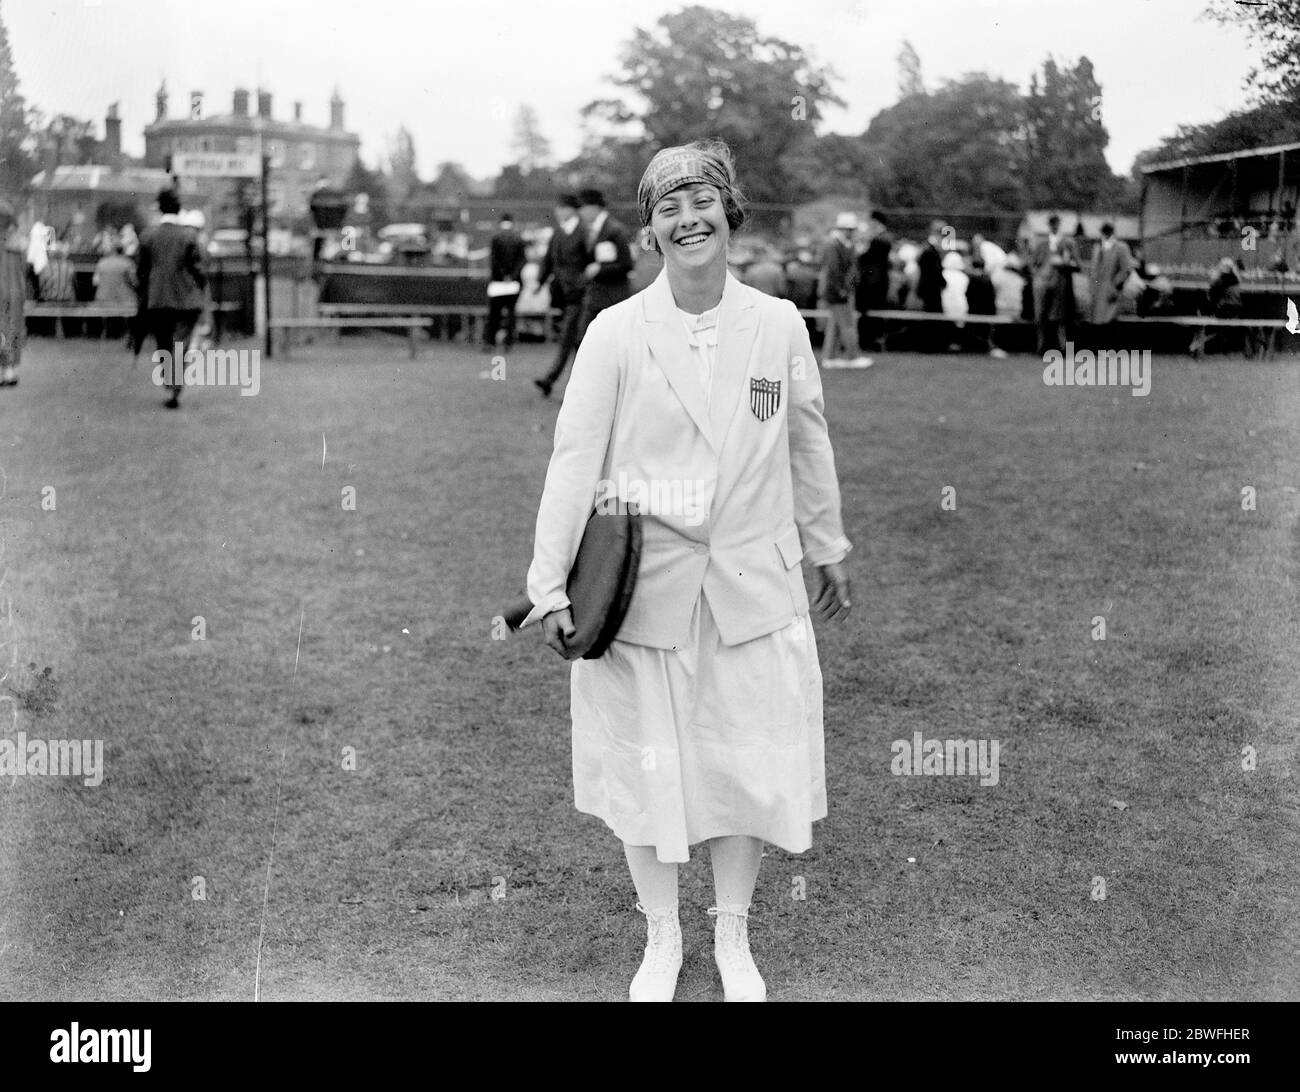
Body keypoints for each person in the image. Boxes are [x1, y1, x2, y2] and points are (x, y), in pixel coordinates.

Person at [520, 138, 852, 1004]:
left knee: (747, 762)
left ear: (729, 212)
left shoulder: (778, 323)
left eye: (701, 199)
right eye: (667, 206)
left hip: (755, 586)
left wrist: (828, 545)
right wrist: (549, 583)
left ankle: (732, 935)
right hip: (648, 595)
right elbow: (573, 458)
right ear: (650, 229)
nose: (687, 218)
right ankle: (661, 937)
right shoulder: (615, 332)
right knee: (649, 770)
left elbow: (806, 440)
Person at [137, 188, 207, 409]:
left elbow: (141, 270)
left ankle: (171, 383)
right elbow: (198, 267)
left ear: (160, 208)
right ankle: (175, 387)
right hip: (186, 299)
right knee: (181, 344)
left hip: (158, 299)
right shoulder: (189, 236)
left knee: (164, 343)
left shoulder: (149, 236)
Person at [534, 195, 591, 398]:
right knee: (575, 341)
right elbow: (548, 260)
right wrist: (539, 283)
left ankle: (550, 379)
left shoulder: (584, 232)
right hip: (562, 294)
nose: (558, 212)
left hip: (581, 295)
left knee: (569, 336)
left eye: (562, 208)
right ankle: (579, 384)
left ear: (572, 209)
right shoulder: (558, 233)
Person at [574, 188, 633, 347]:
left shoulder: (614, 230)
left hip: (614, 298)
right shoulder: (590, 230)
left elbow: (626, 264)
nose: (580, 213)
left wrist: (599, 269)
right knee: (584, 341)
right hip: (596, 297)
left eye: (582, 208)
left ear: (594, 207)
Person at [818, 212, 871, 368]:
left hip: (838, 290)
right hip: (838, 291)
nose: (853, 233)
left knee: (835, 325)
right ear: (845, 230)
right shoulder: (834, 245)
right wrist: (841, 289)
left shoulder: (839, 244)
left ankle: (829, 357)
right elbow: (834, 270)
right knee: (847, 324)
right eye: (851, 230)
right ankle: (852, 356)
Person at [1029, 214, 1079, 356]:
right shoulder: (1042, 243)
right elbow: (1033, 263)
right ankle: (1041, 346)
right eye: (1051, 223)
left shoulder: (1068, 243)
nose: (1054, 226)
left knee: (1060, 316)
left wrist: (1065, 265)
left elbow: (1077, 262)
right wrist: (1038, 274)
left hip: (1060, 281)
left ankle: (1062, 347)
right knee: (1040, 315)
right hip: (1043, 281)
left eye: (1056, 223)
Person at [484, 213, 526, 352]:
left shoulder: (496, 238)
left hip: (497, 282)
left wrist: (503, 275)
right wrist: (512, 275)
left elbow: (494, 260)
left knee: (494, 314)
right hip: (514, 283)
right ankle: (508, 343)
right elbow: (521, 260)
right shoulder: (518, 239)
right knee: (511, 314)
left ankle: (490, 342)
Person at [855, 212, 892, 351]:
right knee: (870, 314)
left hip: (873, 283)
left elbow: (865, 258)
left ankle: (869, 342)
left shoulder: (879, 240)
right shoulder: (881, 239)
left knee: (871, 314)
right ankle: (870, 341)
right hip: (874, 282)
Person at [1089, 222, 1133, 327]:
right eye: (1104, 231)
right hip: (1098, 292)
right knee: (1096, 323)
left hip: (1111, 293)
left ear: (1112, 232)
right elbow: (1094, 270)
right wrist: (1093, 287)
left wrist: (1114, 285)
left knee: (1108, 323)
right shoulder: (1098, 247)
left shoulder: (1121, 247)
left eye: (1108, 231)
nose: (1105, 234)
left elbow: (1126, 270)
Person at [0, 199, 25, 388]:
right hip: (15, 290)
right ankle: (11, 370)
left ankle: (5, 369)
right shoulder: (17, 246)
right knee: (13, 326)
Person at [93, 242, 138, 341]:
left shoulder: (102, 262)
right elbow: (134, 282)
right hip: (123, 298)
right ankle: (126, 335)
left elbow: (95, 282)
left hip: (103, 297)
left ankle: (107, 334)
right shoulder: (128, 263)